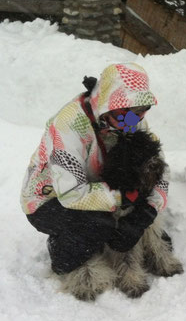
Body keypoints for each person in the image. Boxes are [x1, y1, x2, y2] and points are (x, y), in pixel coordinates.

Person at [21, 62, 170, 276]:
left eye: (140, 113)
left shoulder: (128, 119)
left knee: (134, 218)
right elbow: (71, 193)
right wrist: (123, 199)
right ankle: (64, 255)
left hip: (99, 188)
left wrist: (147, 211)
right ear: (105, 104)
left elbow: (159, 169)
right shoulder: (69, 125)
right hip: (51, 199)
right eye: (123, 115)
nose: (130, 123)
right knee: (99, 225)